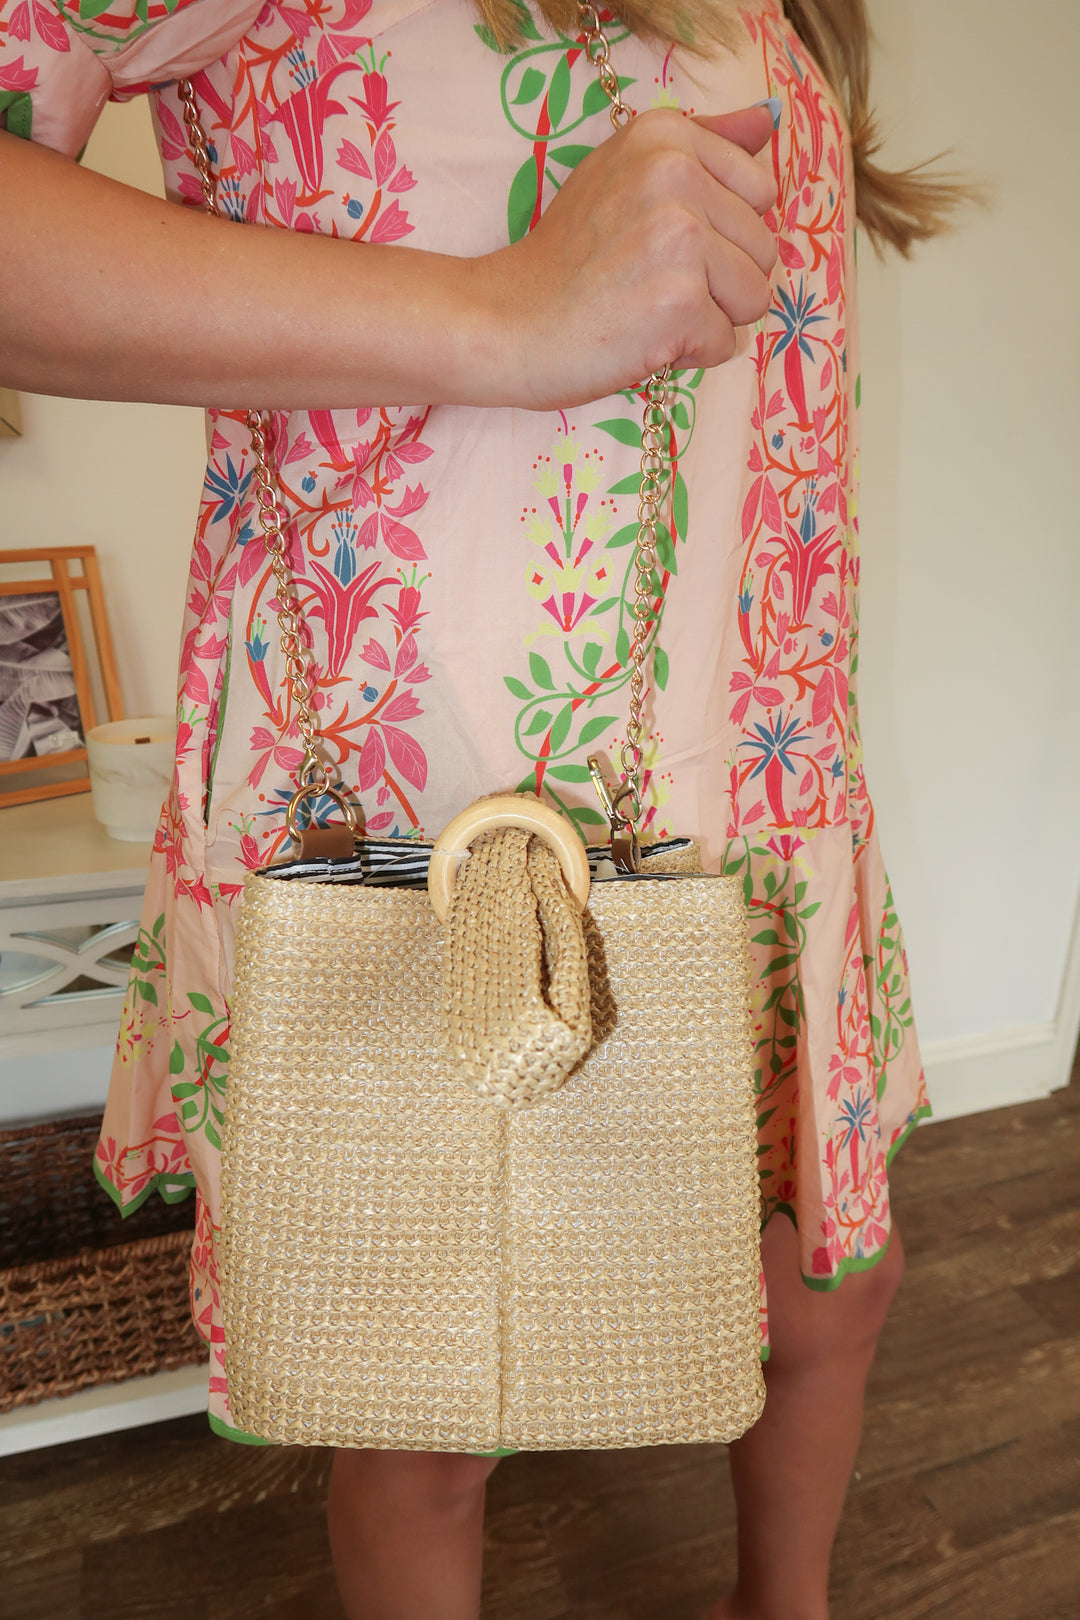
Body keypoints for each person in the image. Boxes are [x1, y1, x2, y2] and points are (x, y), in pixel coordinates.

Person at [0, 2, 966, 1615]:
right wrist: (498, 314)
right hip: (415, 816)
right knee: (430, 1415)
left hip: (758, 782)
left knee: (829, 1297)